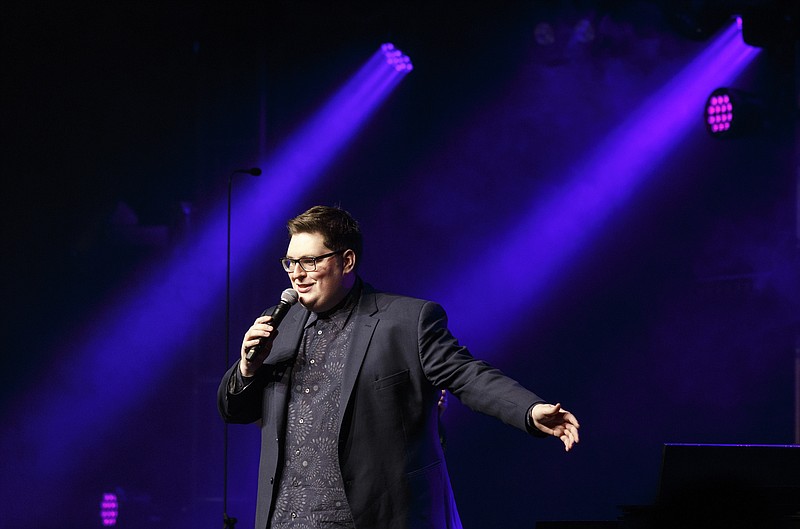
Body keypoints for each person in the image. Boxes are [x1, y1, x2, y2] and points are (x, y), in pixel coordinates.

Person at [218, 205, 580, 529]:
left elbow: (468, 375)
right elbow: (234, 411)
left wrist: (529, 410)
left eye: (310, 261)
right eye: (290, 263)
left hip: (370, 516)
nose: (297, 274)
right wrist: (248, 367)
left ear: (347, 261)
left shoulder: (406, 320)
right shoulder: (277, 324)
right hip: (285, 518)